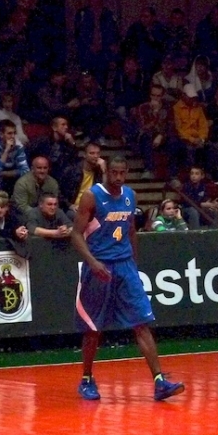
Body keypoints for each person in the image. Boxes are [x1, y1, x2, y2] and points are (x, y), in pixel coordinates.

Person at [70, 156, 185, 402]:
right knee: (93, 328)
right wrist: (92, 262)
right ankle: (87, 379)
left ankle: (159, 381)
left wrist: (133, 262)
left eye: (122, 173)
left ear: (127, 172)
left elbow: (131, 230)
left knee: (142, 322)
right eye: (114, 172)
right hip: (99, 266)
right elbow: (76, 234)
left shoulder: (130, 196)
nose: (118, 177)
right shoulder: (92, 196)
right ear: (107, 172)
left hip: (124, 267)